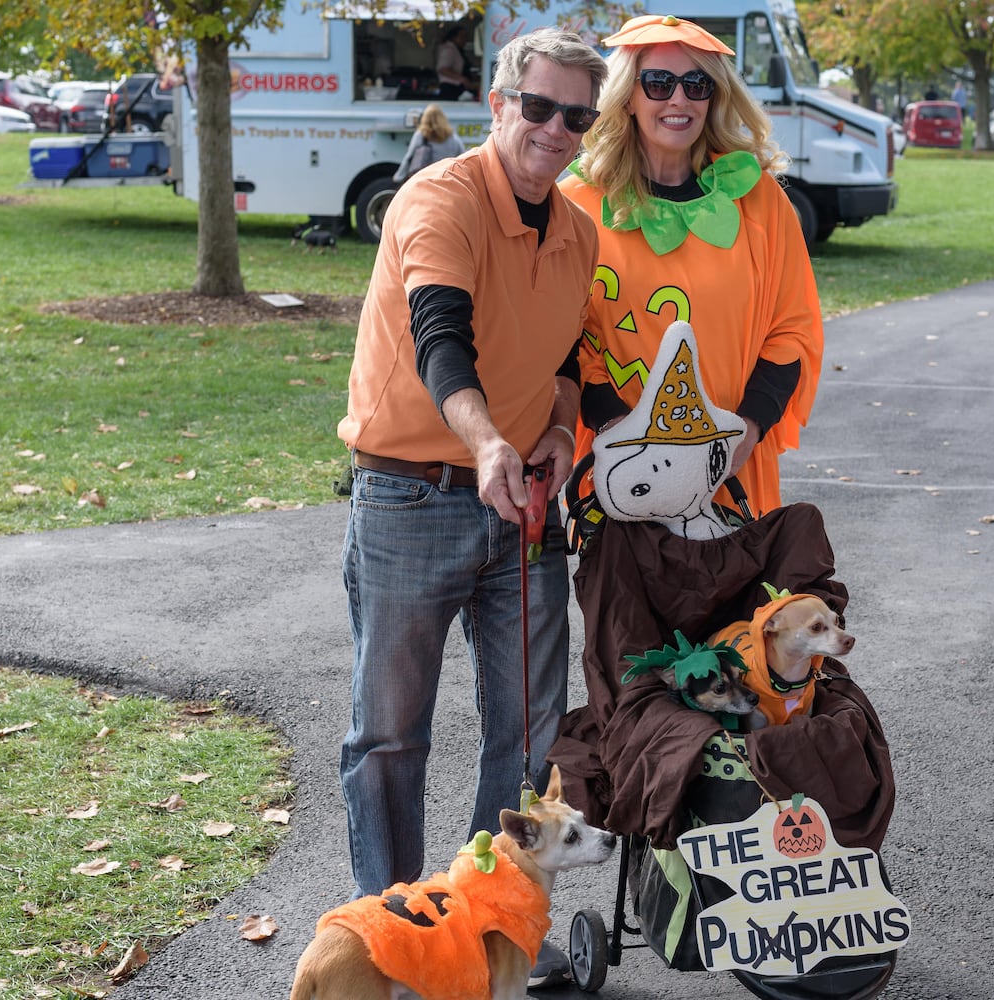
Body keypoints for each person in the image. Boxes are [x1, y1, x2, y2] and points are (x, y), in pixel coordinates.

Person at [335, 26, 606, 988]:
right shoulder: (437, 199)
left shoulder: (577, 229)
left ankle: (496, 932)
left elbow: (571, 358)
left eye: (577, 114)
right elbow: (439, 338)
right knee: (391, 729)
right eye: (539, 107)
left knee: (529, 732)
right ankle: (398, 936)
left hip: (522, 509)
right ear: (499, 104)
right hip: (412, 495)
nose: (556, 129)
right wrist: (487, 439)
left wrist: (559, 437)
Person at [560, 13, 824, 516]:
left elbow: (792, 329)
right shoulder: (576, 204)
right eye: (658, 83)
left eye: (696, 84)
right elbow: (562, 338)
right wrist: (616, 429)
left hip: (733, 469)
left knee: (743, 594)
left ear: (715, 96)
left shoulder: (759, 201)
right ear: (628, 96)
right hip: (623, 475)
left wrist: (744, 433)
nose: (678, 100)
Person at [392, 103, 464, 182]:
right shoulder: (453, 137)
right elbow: (461, 159)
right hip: (445, 179)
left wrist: (399, 176)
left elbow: (409, 157)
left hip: (425, 179)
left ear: (425, 118)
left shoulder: (421, 135)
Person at [435, 24, 475, 102]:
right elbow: (443, 69)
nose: (465, 39)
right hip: (449, 88)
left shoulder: (455, 49)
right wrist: (463, 79)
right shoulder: (449, 49)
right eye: (462, 37)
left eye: (465, 37)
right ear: (453, 37)